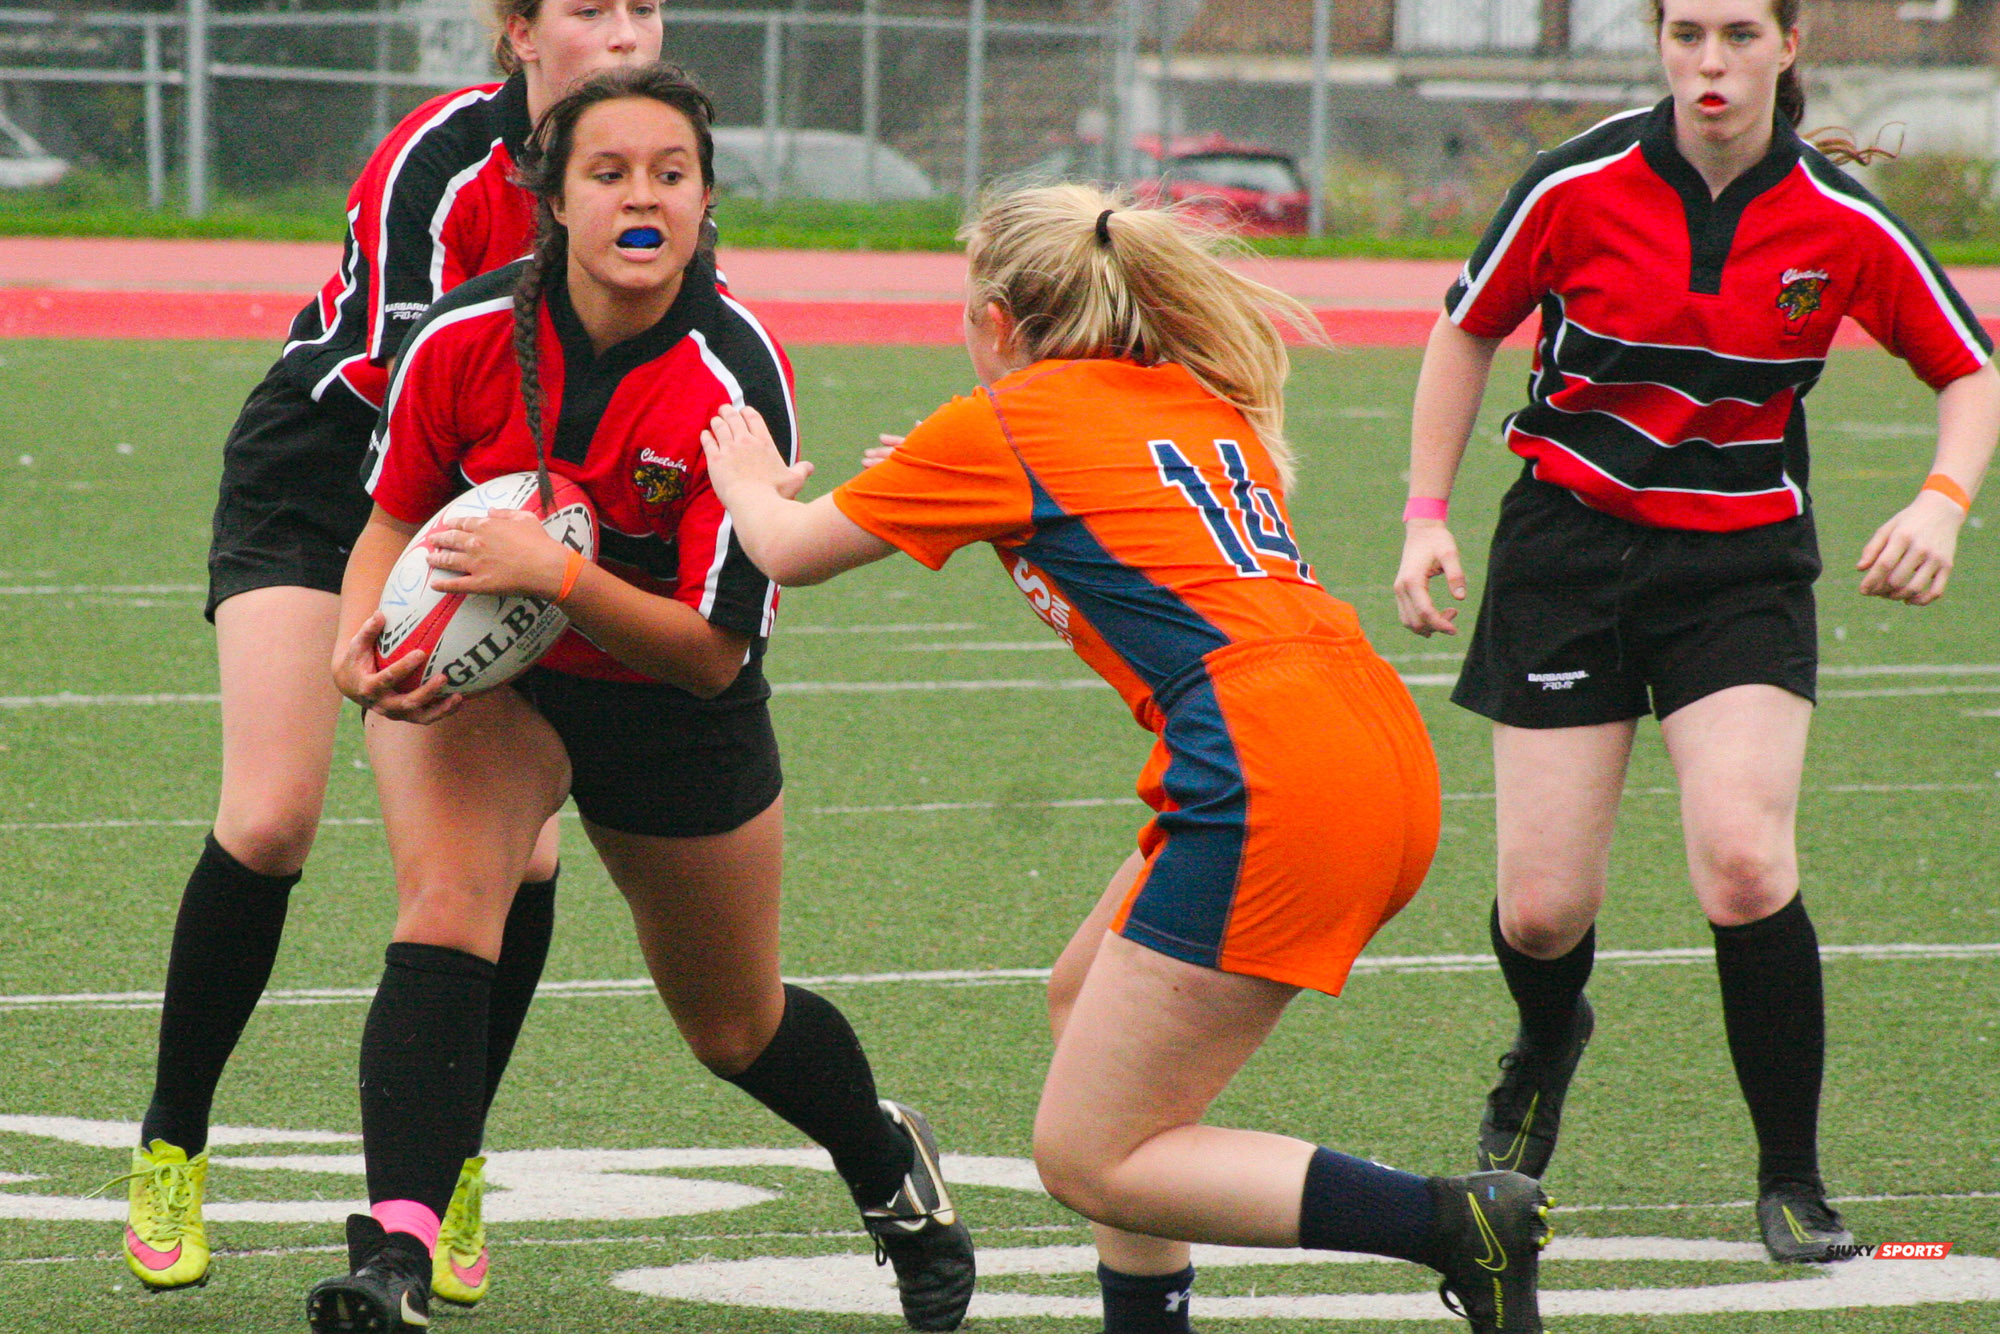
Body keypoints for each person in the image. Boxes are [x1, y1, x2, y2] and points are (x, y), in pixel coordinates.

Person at [702, 182, 1558, 1334]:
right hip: (1364, 739)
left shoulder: (1005, 423)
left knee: (1088, 1154)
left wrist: (745, 483)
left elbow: (787, 549)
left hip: (1273, 770)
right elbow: (1101, 512)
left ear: (1000, 323)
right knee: (1079, 996)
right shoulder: (1179, 395)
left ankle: (1451, 1221)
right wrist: (950, 473)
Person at [309, 64, 975, 1334]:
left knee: (735, 1027)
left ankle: (890, 1168)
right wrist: (355, 643)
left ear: (706, 200)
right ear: (550, 197)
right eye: (606, 171)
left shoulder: (732, 374)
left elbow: (714, 655)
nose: (640, 195)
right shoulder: (459, 337)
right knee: (448, 908)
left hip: (672, 700)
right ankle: (393, 1255)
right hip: (505, 695)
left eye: (670, 173)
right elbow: (394, 516)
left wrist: (555, 572)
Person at [1392, 0, 1998, 1265]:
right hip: (1564, 553)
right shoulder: (1576, 180)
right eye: (1683, 34)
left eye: (1735, 34)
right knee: (1545, 908)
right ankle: (1547, 1037)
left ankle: (1791, 1177)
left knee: (1739, 860)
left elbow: (1969, 369)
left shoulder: (1838, 219)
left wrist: (1942, 502)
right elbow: (1466, 329)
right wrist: (1424, 515)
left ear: (1788, 45)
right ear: (1659, 44)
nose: (1707, 63)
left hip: (1738, 565)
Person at [109, 0, 668, 1307]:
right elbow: (420, 383)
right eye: (593, 10)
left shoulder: (655, 172)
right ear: (519, 32)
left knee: (517, 850)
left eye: (647, 6)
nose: (628, 35)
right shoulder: (440, 158)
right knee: (271, 813)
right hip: (330, 490)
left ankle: (449, 1162)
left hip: (504, 515)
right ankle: (171, 1142)